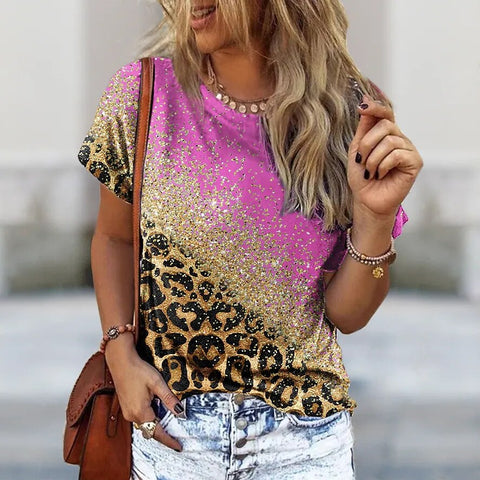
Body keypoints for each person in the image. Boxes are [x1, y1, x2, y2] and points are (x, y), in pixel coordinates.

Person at [79, 0, 423, 478]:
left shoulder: (349, 111)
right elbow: (113, 238)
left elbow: (348, 315)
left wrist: (375, 218)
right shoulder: (145, 94)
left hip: (304, 444)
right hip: (172, 438)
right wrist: (120, 354)